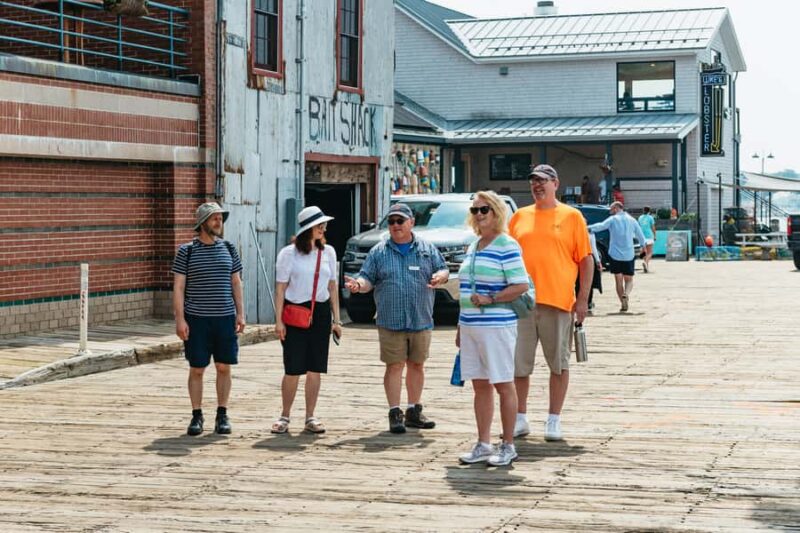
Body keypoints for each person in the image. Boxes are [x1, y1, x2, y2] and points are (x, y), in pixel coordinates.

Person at [344, 203, 449, 434]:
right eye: (391, 222)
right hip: (390, 320)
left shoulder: (427, 248)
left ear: (411, 223)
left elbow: (443, 269)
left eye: (400, 221)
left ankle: (414, 410)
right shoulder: (379, 252)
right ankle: (395, 412)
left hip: (420, 317)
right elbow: (366, 278)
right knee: (394, 366)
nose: (395, 226)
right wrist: (358, 286)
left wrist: (440, 277)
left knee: (417, 365)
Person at [508, 164, 593, 442]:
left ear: (555, 183)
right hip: (520, 302)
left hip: (558, 301)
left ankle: (554, 419)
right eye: (533, 181)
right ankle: (520, 417)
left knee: (558, 363)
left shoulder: (572, 216)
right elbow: (506, 256)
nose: (537, 185)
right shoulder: (519, 216)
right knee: (519, 364)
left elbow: (586, 259)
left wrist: (582, 299)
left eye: (543, 181)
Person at [456, 191, 530, 467]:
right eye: (474, 210)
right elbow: (466, 286)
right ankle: (483, 443)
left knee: (502, 382)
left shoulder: (506, 244)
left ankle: (508, 444)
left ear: (496, 212)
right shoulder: (475, 245)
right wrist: (460, 326)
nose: (478, 215)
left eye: (484, 210)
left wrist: (492, 298)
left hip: (496, 325)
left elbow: (521, 284)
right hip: (471, 325)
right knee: (480, 384)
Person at [172, 202, 245, 436]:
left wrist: (240, 313)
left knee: (224, 366)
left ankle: (222, 414)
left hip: (225, 318)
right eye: (214, 218)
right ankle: (196, 415)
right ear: (202, 223)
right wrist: (180, 319)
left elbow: (236, 282)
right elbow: (179, 287)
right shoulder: (187, 251)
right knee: (197, 368)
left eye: (220, 218)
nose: (219, 222)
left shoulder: (229, 248)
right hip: (197, 319)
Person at [272, 206, 342, 435]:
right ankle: (284, 415)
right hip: (294, 312)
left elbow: (332, 286)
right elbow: (280, 289)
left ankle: (310, 416)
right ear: (307, 229)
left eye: (324, 225)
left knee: (315, 368)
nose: (323, 228)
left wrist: (337, 320)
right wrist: (278, 321)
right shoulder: (288, 254)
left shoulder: (329, 252)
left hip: (320, 312)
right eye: (319, 225)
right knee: (293, 368)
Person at [588, 201, 647, 312]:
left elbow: (600, 226)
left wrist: (587, 228)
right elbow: (640, 234)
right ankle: (626, 294)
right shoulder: (632, 220)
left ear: (616, 208)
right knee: (629, 280)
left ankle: (622, 304)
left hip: (615, 254)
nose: (610, 211)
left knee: (618, 281)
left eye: (611, 209)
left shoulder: (612, 220)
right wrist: (644, 246)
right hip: (629, 254)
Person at [637, 206, 657, 273]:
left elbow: (638, 227)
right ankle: (645, 263)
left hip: (642, 236)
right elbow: (653, 227)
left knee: (644, 252)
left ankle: (646, 266)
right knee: (650, 252)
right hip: (649, 236)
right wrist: (655, 236)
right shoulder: (650, 218)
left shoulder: (640, 217)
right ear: (649, 211)